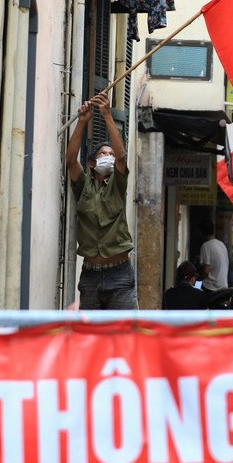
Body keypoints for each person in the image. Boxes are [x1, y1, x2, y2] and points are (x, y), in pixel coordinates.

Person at [65, 92, 136, 309]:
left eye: (110, 154)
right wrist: (82, 122)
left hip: (119, 275)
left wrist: (106, 114)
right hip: (90, 276)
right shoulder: (84, 186)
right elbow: (70, 159)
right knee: (91, 338)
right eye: (103, 153)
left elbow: (122, 157)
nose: (109, 156)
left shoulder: (117, 184)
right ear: (92, 164)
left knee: (123, 337)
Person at [198, 219, 229, 292]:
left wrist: (198, 278)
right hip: (224, 286)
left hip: (211, 287)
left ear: (201, 232)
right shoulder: (221, 244)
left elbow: (206, 271)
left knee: (196, 291)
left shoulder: (206, 246)